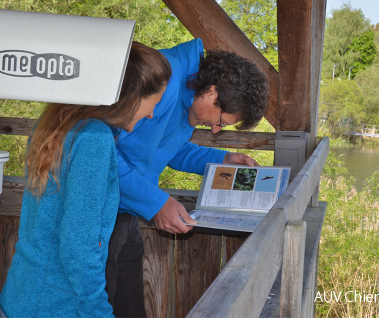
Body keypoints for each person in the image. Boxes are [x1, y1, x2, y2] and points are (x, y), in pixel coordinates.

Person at [0, 41, 171, 318]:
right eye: (155, 102)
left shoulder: (55, 125)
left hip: (23, 294)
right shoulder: (94, 138)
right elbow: (78, 248)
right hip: (56, 306)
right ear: (131, 95)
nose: (152, 113)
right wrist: (100, 313)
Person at [106, 38, 269, 317]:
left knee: (129, 307)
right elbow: (100, 154)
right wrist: (156, 203)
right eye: (220, 120)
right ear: (211, 92)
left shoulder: (188, 96)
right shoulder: (161, 83)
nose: (216, 130)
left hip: (125, 208)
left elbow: (167, 147)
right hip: (96, 208)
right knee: (96, 304)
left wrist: (221, 160)